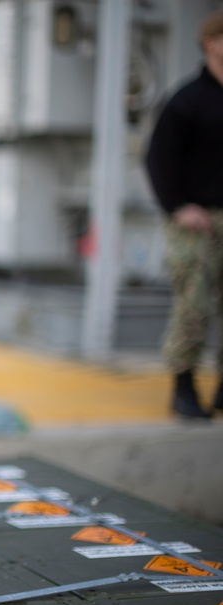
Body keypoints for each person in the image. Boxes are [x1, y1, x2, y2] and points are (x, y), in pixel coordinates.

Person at [144, 10, 223, 420]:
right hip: (197, 221)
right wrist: (178, 206)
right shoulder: (187, 100)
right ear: (212, 44)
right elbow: (159, 159)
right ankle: (184, 386)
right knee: (194, 304)